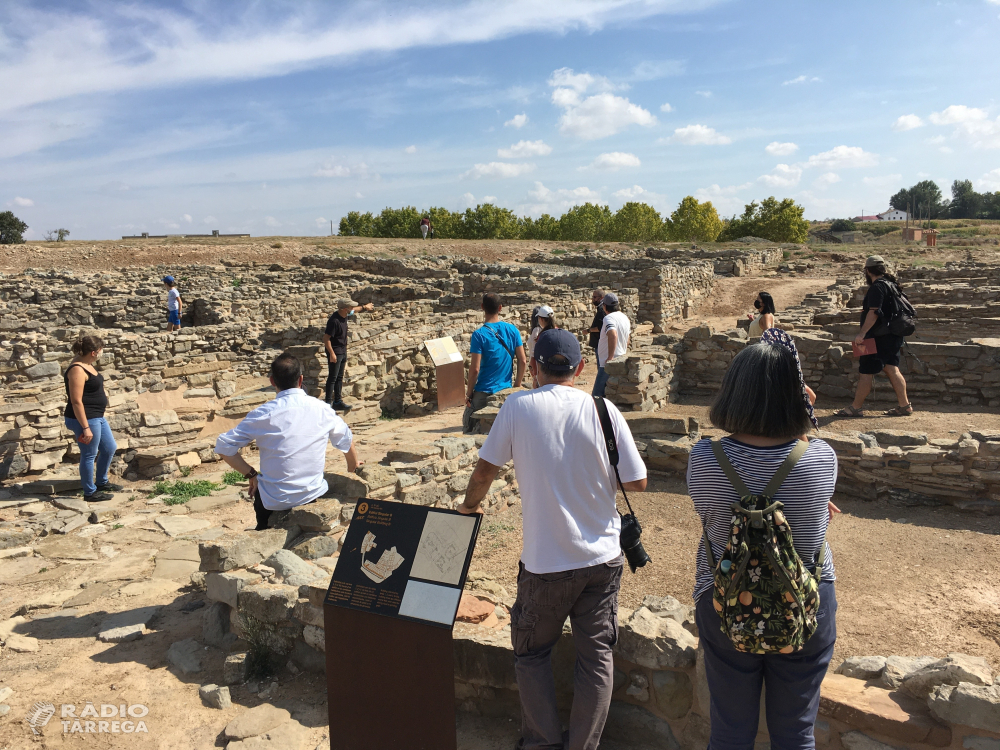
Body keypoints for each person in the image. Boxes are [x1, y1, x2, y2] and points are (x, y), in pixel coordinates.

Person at [459, 329, 647, 750]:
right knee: (596, 656)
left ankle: (542, 743)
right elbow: (637, 481)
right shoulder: (603, 409)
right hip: (602, 558)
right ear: (581, 368)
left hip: (547, 563)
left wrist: (468, 508)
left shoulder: (518, 407)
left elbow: (485, 472)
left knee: (531, 653)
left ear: (536, 369)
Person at [687, 335, 839, 750]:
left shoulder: (703, 458)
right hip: (805, 604)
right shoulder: (821, 458)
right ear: (797, 397)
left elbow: (709, 514)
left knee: (731, 731)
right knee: (796, 732)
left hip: (726, 603)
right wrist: (807, 411)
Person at [215, 351, 362, 531]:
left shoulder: (263, 414)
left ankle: (264, 531)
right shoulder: (322, 409)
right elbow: (346, 439)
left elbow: (224, 446)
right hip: (311, 493)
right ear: (301, 380)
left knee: (263, 519)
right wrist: (353, 468)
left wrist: (252, 474)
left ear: (272, 381)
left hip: (273, 500)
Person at [837, 255, 912, 417]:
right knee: (892, 369)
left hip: (874, 337)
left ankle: (855, 408)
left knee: (865, 371)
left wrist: (862, 334)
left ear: (867, 271)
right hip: (892, 335)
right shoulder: (892, 284)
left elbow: (874, 312)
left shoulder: (877, 287)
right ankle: (905, 406)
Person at [64, 334, 122, 502]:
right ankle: (90, 492)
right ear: (94, 352)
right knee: (89, 454)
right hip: (86, 419)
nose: (102, 352)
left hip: (97, 416)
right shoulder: (77, 369)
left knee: (109, 447)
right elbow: (76, 401)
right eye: (101, 349)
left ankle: (102, 482)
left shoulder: (86, 364)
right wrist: (85, 427)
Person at [463, 292, 527, 434]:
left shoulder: (479, 335)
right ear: (500, 308)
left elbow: (475, 369)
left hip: (484, 390)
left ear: (482, 307)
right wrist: (517, 384)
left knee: (471, 432)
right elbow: (522, 360)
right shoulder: (512, 330)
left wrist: (469, 394)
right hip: (505, 390)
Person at [323, 298, 375, 413]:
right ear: (345, 308)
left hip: (342, 350)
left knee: (339, 377)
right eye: (350, 307)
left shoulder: (345, 314)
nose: (352, 308)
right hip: (335, 351)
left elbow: (354, 310)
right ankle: (327, 404)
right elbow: (326, 339)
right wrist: (332, 354)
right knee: (332, 378)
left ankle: (337, 402)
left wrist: (365, 307)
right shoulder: (334, 321)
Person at [592, 292, 630, 398]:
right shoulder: (624, 317)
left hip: (607, 363)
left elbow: (612, 334)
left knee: (597, 395)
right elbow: (628, 337)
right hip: (620, 358)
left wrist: (610, 357)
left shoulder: (609, 318)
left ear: (604, 306)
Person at [525, 305, 556, 386]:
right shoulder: (557, 331)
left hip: (542, 369)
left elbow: (534, 352)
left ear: (541, 319)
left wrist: (534, 372)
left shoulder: (540, 333)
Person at [585, 288, 606, 355]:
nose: (593, 299)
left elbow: (600, 327)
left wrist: (588, 330)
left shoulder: (601, 309)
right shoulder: (602, 308)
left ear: (601, 298)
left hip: (600, 344)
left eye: (594, 297)